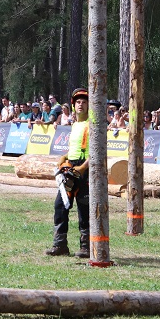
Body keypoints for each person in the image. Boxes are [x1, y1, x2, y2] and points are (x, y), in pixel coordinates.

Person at [46, 87, 91, 258]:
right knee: (60, 204)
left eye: (84, 102)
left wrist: (83, 167)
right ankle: (60, 244)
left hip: (85, 170)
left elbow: (97, 150)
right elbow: (72, 148)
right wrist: (63, 157)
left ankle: (86, 246)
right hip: (71, 167)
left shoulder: (92, 125)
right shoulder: (76, 124)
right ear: (73, 105)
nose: (81, 105)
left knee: (84, 207)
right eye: (78, 102)